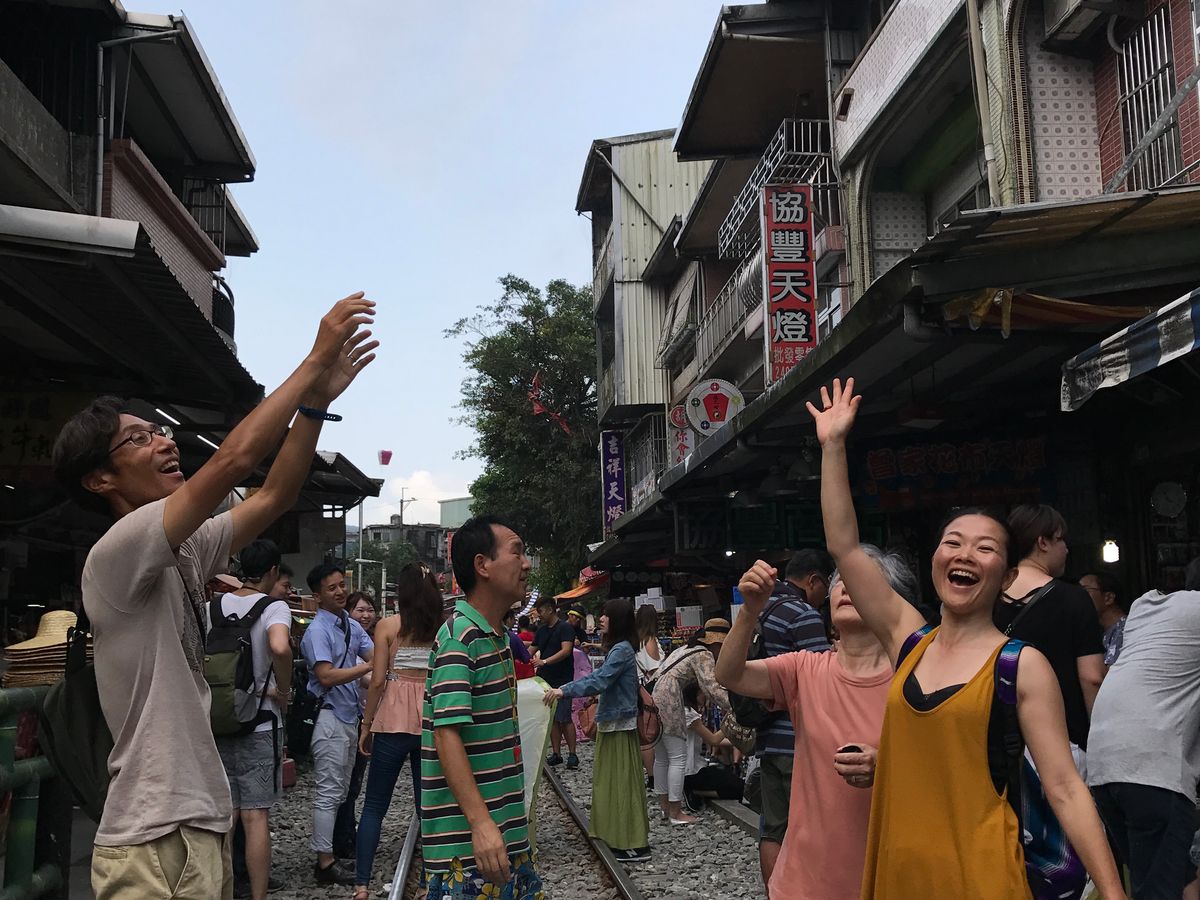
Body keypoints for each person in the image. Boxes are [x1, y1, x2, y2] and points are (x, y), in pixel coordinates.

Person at [51, 292, 377, 900]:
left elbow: (273, 495)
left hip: (198, 821)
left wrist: (315, 405)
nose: (165, 442)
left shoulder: (184, 549)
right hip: (150, 837)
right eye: (138, 439)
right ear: (100, 479)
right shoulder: (118, 550)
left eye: (158, 430)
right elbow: (234, 460)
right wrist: (313, 361)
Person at [808, 377, 1124, 900]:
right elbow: (844, 547)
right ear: (935, 559)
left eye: (985, 549)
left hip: (984, 877)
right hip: (900, 874)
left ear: (1006, 576)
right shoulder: (909, 641)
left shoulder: (1020, 665)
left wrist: (1112, 891)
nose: (964, 555)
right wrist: (834, 446)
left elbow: (1065, 787)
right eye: (952, 542)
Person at [718, 549, 919, 900]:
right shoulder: (805, 668)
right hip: (804, 881)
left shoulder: (917, 676)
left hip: (888, 878)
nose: (846, 587)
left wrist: (886, 765)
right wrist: (750, 610)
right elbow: (729, 674)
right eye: (840, 581)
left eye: (861, 579)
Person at [422, 515, 542, 898]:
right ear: (482, 565)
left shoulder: (496, 636)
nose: (526, 564)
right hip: (468, 851)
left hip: (504, 838)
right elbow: (446, 736)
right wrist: (481, 825)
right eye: (517, 552)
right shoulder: (461, 639)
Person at [1087, 559, 1200, 899]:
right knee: (1158, 889)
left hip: (1105, 766)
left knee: (1173, 875)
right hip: (1152, 770)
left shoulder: (1147, 611)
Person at [353, 563, 443, 900]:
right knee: (427, 807)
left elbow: (377, 681)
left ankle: (362, 885)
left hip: (391, 723)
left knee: (375, 805)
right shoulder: (442, 629)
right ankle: (427, 884)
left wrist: (366, 725)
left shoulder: (387, 627)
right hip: (430, 723)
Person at [211, 540, 293, 900]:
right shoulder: (274, 607)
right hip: (260, 723)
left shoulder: (212, 606)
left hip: (218, 721)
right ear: (273, 571)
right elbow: (280, 647)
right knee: (254, 816)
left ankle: (219, 891)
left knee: (224, 815)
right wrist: (284, 689)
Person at [544, 598, 651, 863]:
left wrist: (563, 690)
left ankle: (631, 843)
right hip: (616, 722)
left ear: (617, 620)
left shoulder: (621, 650)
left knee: (619, 782)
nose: (600, 619)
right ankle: (622, 837)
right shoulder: (622, 648)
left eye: (605, 615)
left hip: (618, 724)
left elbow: (600, 680)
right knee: (617, 781)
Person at [999, 504, 1106, 764]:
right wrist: (1100, 738)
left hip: (1003, 742)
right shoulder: (1074, 598)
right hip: (1064, 740)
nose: (1066, 549)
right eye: (1060, 539)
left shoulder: (988, 597)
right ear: (1042, 542)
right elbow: (1092, 677)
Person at [751, 548, 833, 887]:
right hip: (797, 741)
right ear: (814, 581)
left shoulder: (762, 609)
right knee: (809, 826)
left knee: (772, 828)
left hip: (768, 738)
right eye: (826, 586)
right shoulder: (804, 615)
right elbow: (822, 684)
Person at [300, 564, 374, 886]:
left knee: (341, 790)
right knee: (329, 791)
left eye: (342, 585)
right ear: (317, 596)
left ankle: (330, 852)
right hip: (328, 717)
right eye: (332, 588)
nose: (341, 591)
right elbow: (326, 675)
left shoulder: (350, 625)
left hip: (347, 716)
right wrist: (369, 667)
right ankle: (324, 862)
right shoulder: (318, 630)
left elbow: (374, 653)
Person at [652, 618, 732, 825]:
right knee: (678, 757)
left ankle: (665, 809)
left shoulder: (685, 649)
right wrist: (736, 704)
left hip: (656, 695)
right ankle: (676, 811)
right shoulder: (704, 654)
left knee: (661, 757)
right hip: (671, 697)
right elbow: (712, 688)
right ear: (718, 643)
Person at [332, 591, 379, 858]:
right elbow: (367, 679)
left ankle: (347, 834)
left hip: (362, 719)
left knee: (354, 782)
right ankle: (342, 840)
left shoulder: (367, 642)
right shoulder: (348, 641)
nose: (365, 615)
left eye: (369, 610)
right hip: (349, 717)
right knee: (346, 783)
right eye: (360, 610)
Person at [532, 597, 578, 768]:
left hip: (562, 680)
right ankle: (556, 753)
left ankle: (572, 754)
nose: (539, 615)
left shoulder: (565, 628)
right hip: (545, 681)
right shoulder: (541, 631)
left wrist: (544, 661)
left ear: (550, 609)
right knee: (551, 718)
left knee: (564, 717)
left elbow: (566, 651)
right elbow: (530, 650)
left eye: (540, 611)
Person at [634, 604, 663, 779]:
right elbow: (655, 667)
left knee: (643, 731)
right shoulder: (649, 640)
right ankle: (653, 776)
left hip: (639, 689)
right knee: (649, 733)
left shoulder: (635, 639)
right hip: (650, 689)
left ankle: (648, 773)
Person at [1079, 572, 1129, 667]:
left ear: (1108, 598)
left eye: (1084, 591)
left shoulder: (1126, 629)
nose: (1077, 598)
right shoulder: (1100, 633)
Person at [504, 606, 535, 679]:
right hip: (520, 674)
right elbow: (526, 658)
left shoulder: (489, 636)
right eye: (514, 619)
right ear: (509, 619)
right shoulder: (514, 638)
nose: (514, 622)